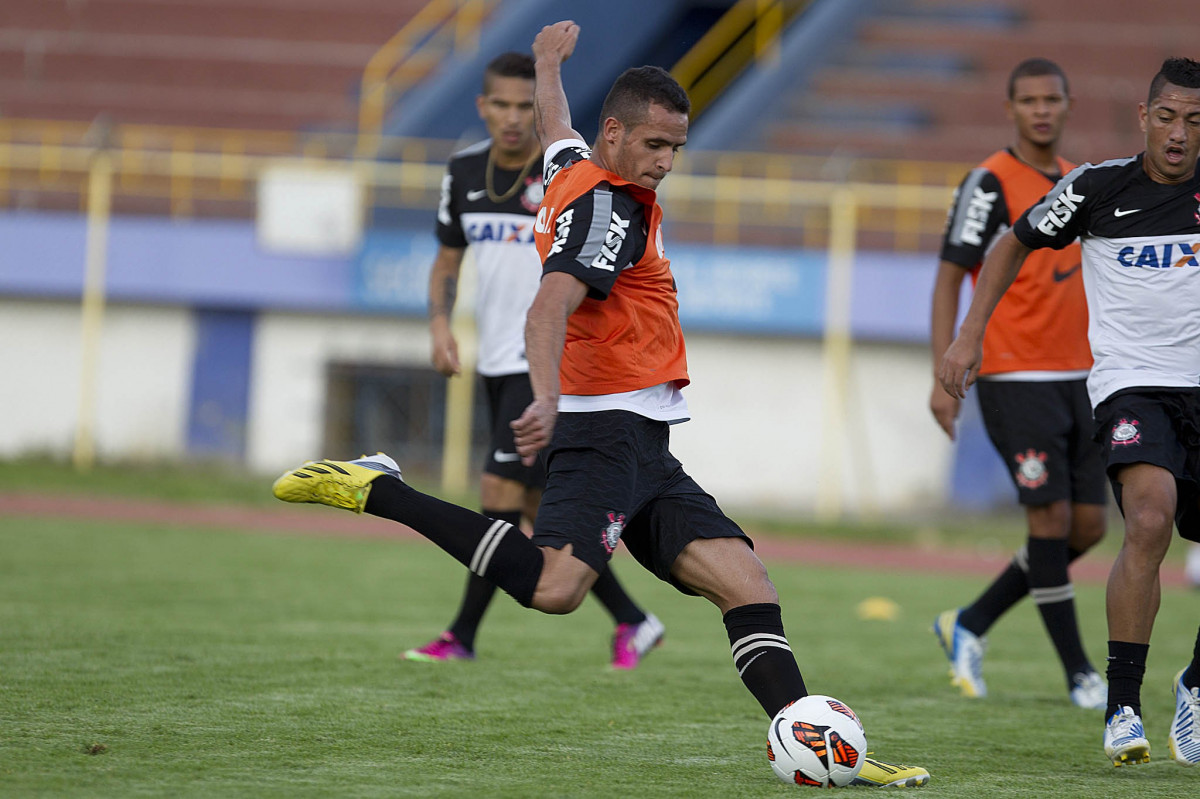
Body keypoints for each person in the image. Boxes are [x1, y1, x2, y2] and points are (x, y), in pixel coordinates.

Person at [273, 20, 929, 788]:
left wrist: (550, 62)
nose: (665, 163)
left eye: (676, 149)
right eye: (654, 146)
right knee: (555, 589)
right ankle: (378, 488)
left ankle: (821, 746)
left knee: (748, 583)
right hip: (600, 433)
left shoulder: (575, 168)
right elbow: (548, 306)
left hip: (646, 442)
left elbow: (558, 126)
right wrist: (548, 399)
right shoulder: (608, 210)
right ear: (617, 136)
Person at [940, 56, 1200, 768]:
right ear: (1145, 118)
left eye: (1196, 121)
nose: (1180, 134)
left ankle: (1196, 686)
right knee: (1146, 517)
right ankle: (1121, 703)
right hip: (1131, 385)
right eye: (1169, 117)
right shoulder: (1095, 187)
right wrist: (968, 336)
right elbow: (1011, 242)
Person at [404, 50, 664, 669]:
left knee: (497, 492)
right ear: (483, 106)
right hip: (495, 360)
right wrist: (440, 322)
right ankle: (633, 619)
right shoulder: (465, 171)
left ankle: (462, 636)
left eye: (528, 105)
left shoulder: (566, 179)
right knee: (531, 513)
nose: (515, 117)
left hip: (544, 364)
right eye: (502, 104)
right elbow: (448, 258)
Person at [928, 58, 1107, 709]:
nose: (1041, 109)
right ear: (1010, 108)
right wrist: (943, 370)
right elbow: (951, 274)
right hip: (1012, 373)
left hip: (1084, 377)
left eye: (1051, 99)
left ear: (1068, 104)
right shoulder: (988, 182)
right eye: (1028, 99)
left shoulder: (1079, 182)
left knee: (1085, 527)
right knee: (1050, 516)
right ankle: (1082, 672)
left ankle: (969, 620)